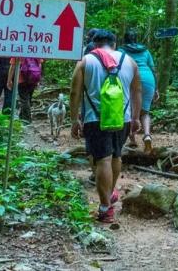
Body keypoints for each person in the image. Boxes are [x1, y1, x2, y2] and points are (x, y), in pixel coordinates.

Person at [70, 29, 141, 223]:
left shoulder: (85, 61)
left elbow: (74, 93)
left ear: (94, 43)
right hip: (122, 118)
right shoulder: (130, 61)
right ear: (114, 43)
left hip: (95, 118)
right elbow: (137, 91)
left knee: (102, 160)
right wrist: (136, 118)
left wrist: (74, 119)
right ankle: (109, 193)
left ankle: (105, 208)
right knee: (116, 156)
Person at [119, 29, 159, 153]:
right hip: (148, 79)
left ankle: (132, 139)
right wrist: (156, 88)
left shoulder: (121, 50)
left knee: (130, 110)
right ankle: (147, 135)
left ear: (124, 39)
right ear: (136, 39)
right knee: (145, 111)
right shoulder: (145, 51)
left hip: (130, 78)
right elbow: (153, 69)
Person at [9, 57, 43, 122]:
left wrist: (9, 80)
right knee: (28, 99)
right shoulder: (36, 50)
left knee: (24, 100)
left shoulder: (18, 50)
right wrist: (38, 79)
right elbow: (39, 65)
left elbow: (12, 66)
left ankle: (27, 120)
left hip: (22, 80)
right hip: (33, 78)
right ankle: (21, 117)